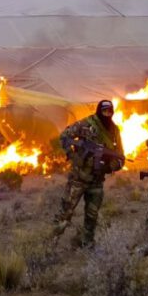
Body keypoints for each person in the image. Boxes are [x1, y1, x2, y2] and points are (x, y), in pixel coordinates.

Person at [53, 100, 125, 247]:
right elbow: (64, 137)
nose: (107, 114)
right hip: (79, 178)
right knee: (66, 211)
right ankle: (52, 241)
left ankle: (88, 243)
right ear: (99, 111)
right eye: (104, 111)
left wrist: (110, 167)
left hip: (97, 180)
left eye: (109, 112)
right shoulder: (86, 124)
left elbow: (120, 157)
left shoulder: (114, 131)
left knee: (92, 215)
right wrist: (73, 156)